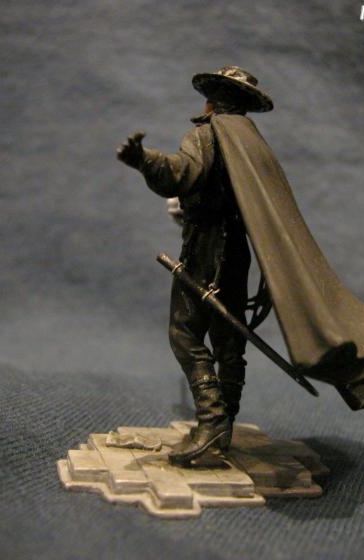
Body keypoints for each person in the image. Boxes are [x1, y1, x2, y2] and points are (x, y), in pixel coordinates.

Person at [117, 66, 271, 465]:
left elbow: (181, 174)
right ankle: (225, 424)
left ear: (211, 101)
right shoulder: (253, 143)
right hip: (237, 252)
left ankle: (213, 419)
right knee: (228, 341)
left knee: (184, 332)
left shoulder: (207, 135)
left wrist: (144, 160)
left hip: (206, 250)